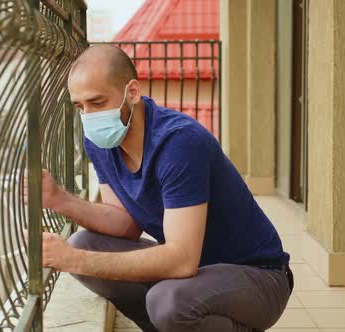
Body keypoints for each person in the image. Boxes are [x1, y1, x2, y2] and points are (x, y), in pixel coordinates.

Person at [23, 45, 293, 332]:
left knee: (167, 301)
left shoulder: (179, 143)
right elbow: (125, 223)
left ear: (133, 92)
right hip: (195, 276)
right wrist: (57, 199)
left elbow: (181, 261)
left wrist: (74, 261)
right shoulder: (100, 143)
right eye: (80, 106)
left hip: (259, 277)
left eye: (98, 103)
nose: (88, 117)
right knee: (84, 243)